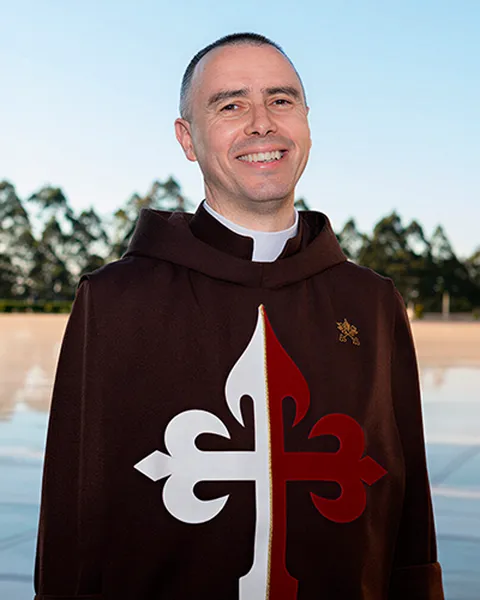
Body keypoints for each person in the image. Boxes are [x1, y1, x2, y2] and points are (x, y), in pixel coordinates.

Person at [34, 33, 444, 600]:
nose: (261, 123)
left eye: (281, 100)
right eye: (230, 105)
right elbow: (73, 514)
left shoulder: (371, 302)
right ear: (187, 139)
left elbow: (407, 509)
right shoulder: (115, 301)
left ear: (306, 122)